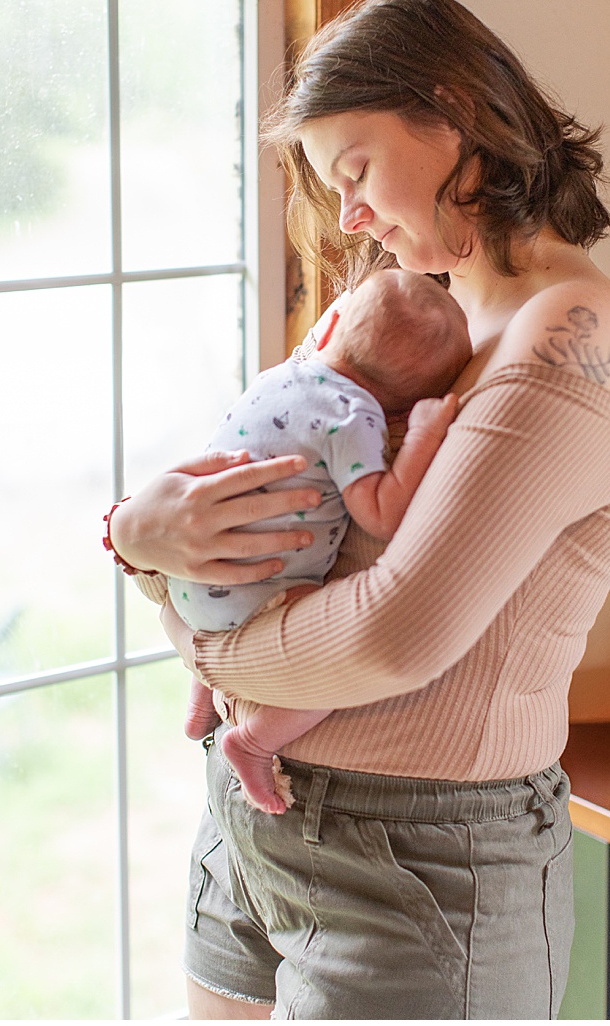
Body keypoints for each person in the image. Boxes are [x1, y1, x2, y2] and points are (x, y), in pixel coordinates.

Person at [105, 0, 610, 1020]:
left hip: (423, 861)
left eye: (355, 171)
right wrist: (136, 533)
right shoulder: (416, 305)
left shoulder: (574, 335)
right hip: (253, 818)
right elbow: (255, 485)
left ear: (447, 108)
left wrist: (198, 639)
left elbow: (397, 634)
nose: (350, 215)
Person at [167, 270, 470, 814]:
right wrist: (423, 436)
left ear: (329, 327)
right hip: (250, 599)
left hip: (189, 578)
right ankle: (253, 739)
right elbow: (379, 515)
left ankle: (202, 696)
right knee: (335, 657)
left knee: (233, 595)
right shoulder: (353, 416)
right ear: (401, 409)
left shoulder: (278, 377)